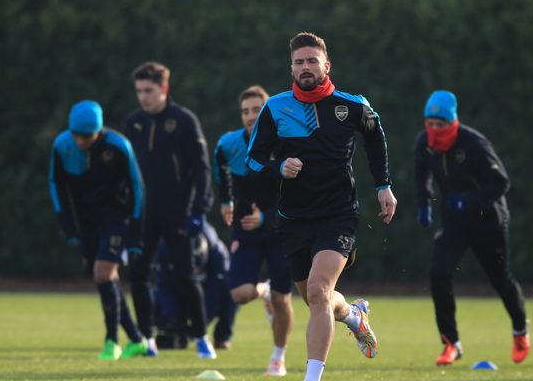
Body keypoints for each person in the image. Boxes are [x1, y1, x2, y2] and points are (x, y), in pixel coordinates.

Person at [245, 32, 397, 381]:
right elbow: (252, 161)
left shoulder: (353, 105)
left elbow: (376, 139)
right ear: (292, 68)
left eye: (312, 60)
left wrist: (384, 186)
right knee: (319, 299)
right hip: (293, 219)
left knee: (318, 291)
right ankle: (355, 316)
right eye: (299, 62)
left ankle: (311, 378)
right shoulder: (275, 108)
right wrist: (278, 168)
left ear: (326, 66)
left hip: (338, 215)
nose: (305, 67)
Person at [414, 90, 530, 366]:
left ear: (452, 122)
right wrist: (424, 204)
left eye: (440, 124)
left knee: (500, 278)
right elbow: (422, 176)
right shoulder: (424, 143)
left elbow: (501, 183)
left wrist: (467, 201)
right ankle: (451, 342)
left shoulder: (474, 143)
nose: (434, 129)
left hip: (489, 220)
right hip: (454, 223)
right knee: (438, 273)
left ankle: (520, 330)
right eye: (430, 123)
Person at [125, 61, 217, 359]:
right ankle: (146, 339)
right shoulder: (134, 122)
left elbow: (202, 168)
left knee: (185, 276)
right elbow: (127, 174)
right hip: (143, 216)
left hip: (179, 214)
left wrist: (200, 210)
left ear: (164, 89)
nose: (143, 97)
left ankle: (202, 337)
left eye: (148, 90)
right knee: (138, 275)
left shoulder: (184, 120)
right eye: (139, 91)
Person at [49, 100, 149, 360]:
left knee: (102, 274)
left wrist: (135, 236)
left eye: (87, 136)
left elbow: (138, 189)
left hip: (116, 219)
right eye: (77, 136)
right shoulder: (62, 146)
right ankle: (137, 340)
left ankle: (111, 342)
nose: (81, 141)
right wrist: (70, 228)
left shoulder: (118, 146)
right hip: (87, 223)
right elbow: (56, 186)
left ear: (99, 130)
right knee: (107, 278)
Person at [213, 85, 294, 376]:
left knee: (283, 300)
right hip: (246, 231)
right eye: (245, 111)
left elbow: (298, 196)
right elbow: (219, 161)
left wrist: (267, 218)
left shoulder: (285, 144)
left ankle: (278, 357)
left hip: (281, 231)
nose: (250, 116)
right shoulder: (230, 143)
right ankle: (264, 290)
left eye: (256, 110)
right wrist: (225, 200)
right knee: (239, 294)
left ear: (268, 112)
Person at [152, 222, 238, 351]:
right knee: (152, 298)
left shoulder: (219, 256)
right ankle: (166, 329)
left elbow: (214, 296)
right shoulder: (165, 249)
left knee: (233, 291)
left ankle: (222, 336)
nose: (195, 270)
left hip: (206, 287)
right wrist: (173, 319)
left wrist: (198, 325)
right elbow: (163, 285)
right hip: (176, 283)